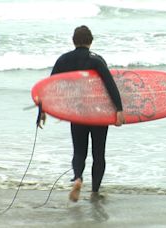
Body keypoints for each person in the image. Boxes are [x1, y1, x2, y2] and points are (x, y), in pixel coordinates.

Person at [38, 25, 125, 202]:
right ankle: (94, 192)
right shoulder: (97, 60)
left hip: (77, 112)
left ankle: (78, 178)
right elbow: (110, 85)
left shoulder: (63, 60)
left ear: (73, 41)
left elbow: (49, 87)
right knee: (98, 154)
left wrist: (42, 110)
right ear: (91, 41)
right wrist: (119, 109)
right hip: (99, 114)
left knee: (79, 152)